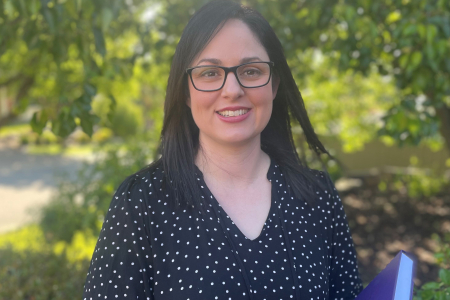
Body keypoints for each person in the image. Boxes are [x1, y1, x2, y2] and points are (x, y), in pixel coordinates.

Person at [82, 1, 363, 299]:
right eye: (210, 73)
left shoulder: (318, 196)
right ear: (186, 92)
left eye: (251, 71)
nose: (232, 90)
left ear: (274, 84)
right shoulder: (141, 203)